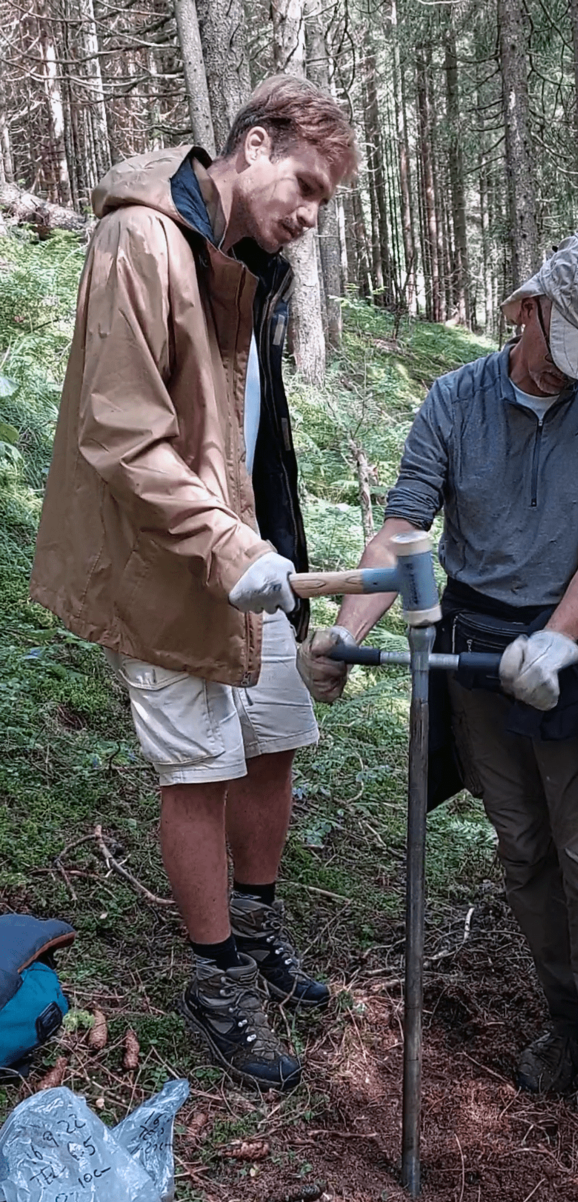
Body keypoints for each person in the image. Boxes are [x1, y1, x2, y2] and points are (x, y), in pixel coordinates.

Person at [297, 231, 578, 1153]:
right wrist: (347, 638)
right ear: (528, 309)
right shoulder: (455, 400)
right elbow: (401, 533)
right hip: (472, 648)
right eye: (563, 347)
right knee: (524, 852)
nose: (574, 375)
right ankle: (568, 1021)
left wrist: (557, 639)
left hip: (570, 648)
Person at [30, 75, 359, 1092]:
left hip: (248, 551)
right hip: (164, 561)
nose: (306, 216)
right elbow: (122, 432)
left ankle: (255, 933)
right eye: (302, 186)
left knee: (273, 741)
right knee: (200, 770)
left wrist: (271, 552)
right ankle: (214, 982)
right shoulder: (139, 241)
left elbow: (257, 435)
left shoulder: (249, 260)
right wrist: (225, 550)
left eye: (323, 204)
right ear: (251, 146)